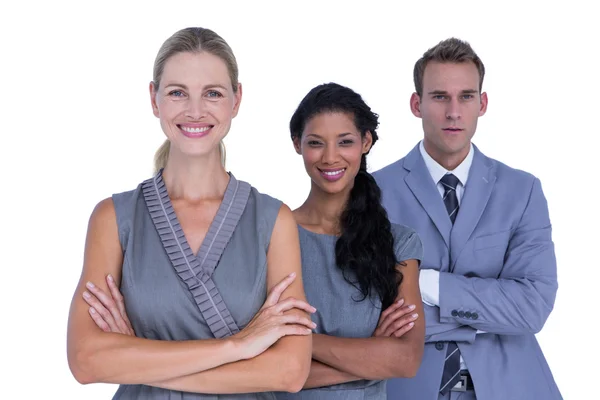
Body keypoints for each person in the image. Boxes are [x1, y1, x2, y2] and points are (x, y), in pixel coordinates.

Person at [83, 82, 426, 399]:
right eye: (316, 142)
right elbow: (264, 364)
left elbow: (405, 360)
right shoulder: (269, 232)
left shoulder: (399, 244)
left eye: (346, 141)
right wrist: (367, 360)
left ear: (366, 142)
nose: (330, 157)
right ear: (298, 145)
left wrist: (293, 345)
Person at [66, 27, 315, 399]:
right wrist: (240, 347)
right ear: (154, 99)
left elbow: (290, 371)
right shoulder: (114, 218)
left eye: (212, 93)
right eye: (177, 93)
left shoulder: (272, 220)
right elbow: (85, 362)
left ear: (236, 99)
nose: (195, 110)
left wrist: (137, 358)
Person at [373, 38, 562, 400]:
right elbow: (369, 315)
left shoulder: (522, 191)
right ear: (417, 104)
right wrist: (488, 317)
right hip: (407, 388)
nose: (454, 112)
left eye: (466, 97)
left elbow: (532, 307)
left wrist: (429, 286)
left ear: (483, 103)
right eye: (440, 97)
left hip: (514, 387)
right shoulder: (373, 192)